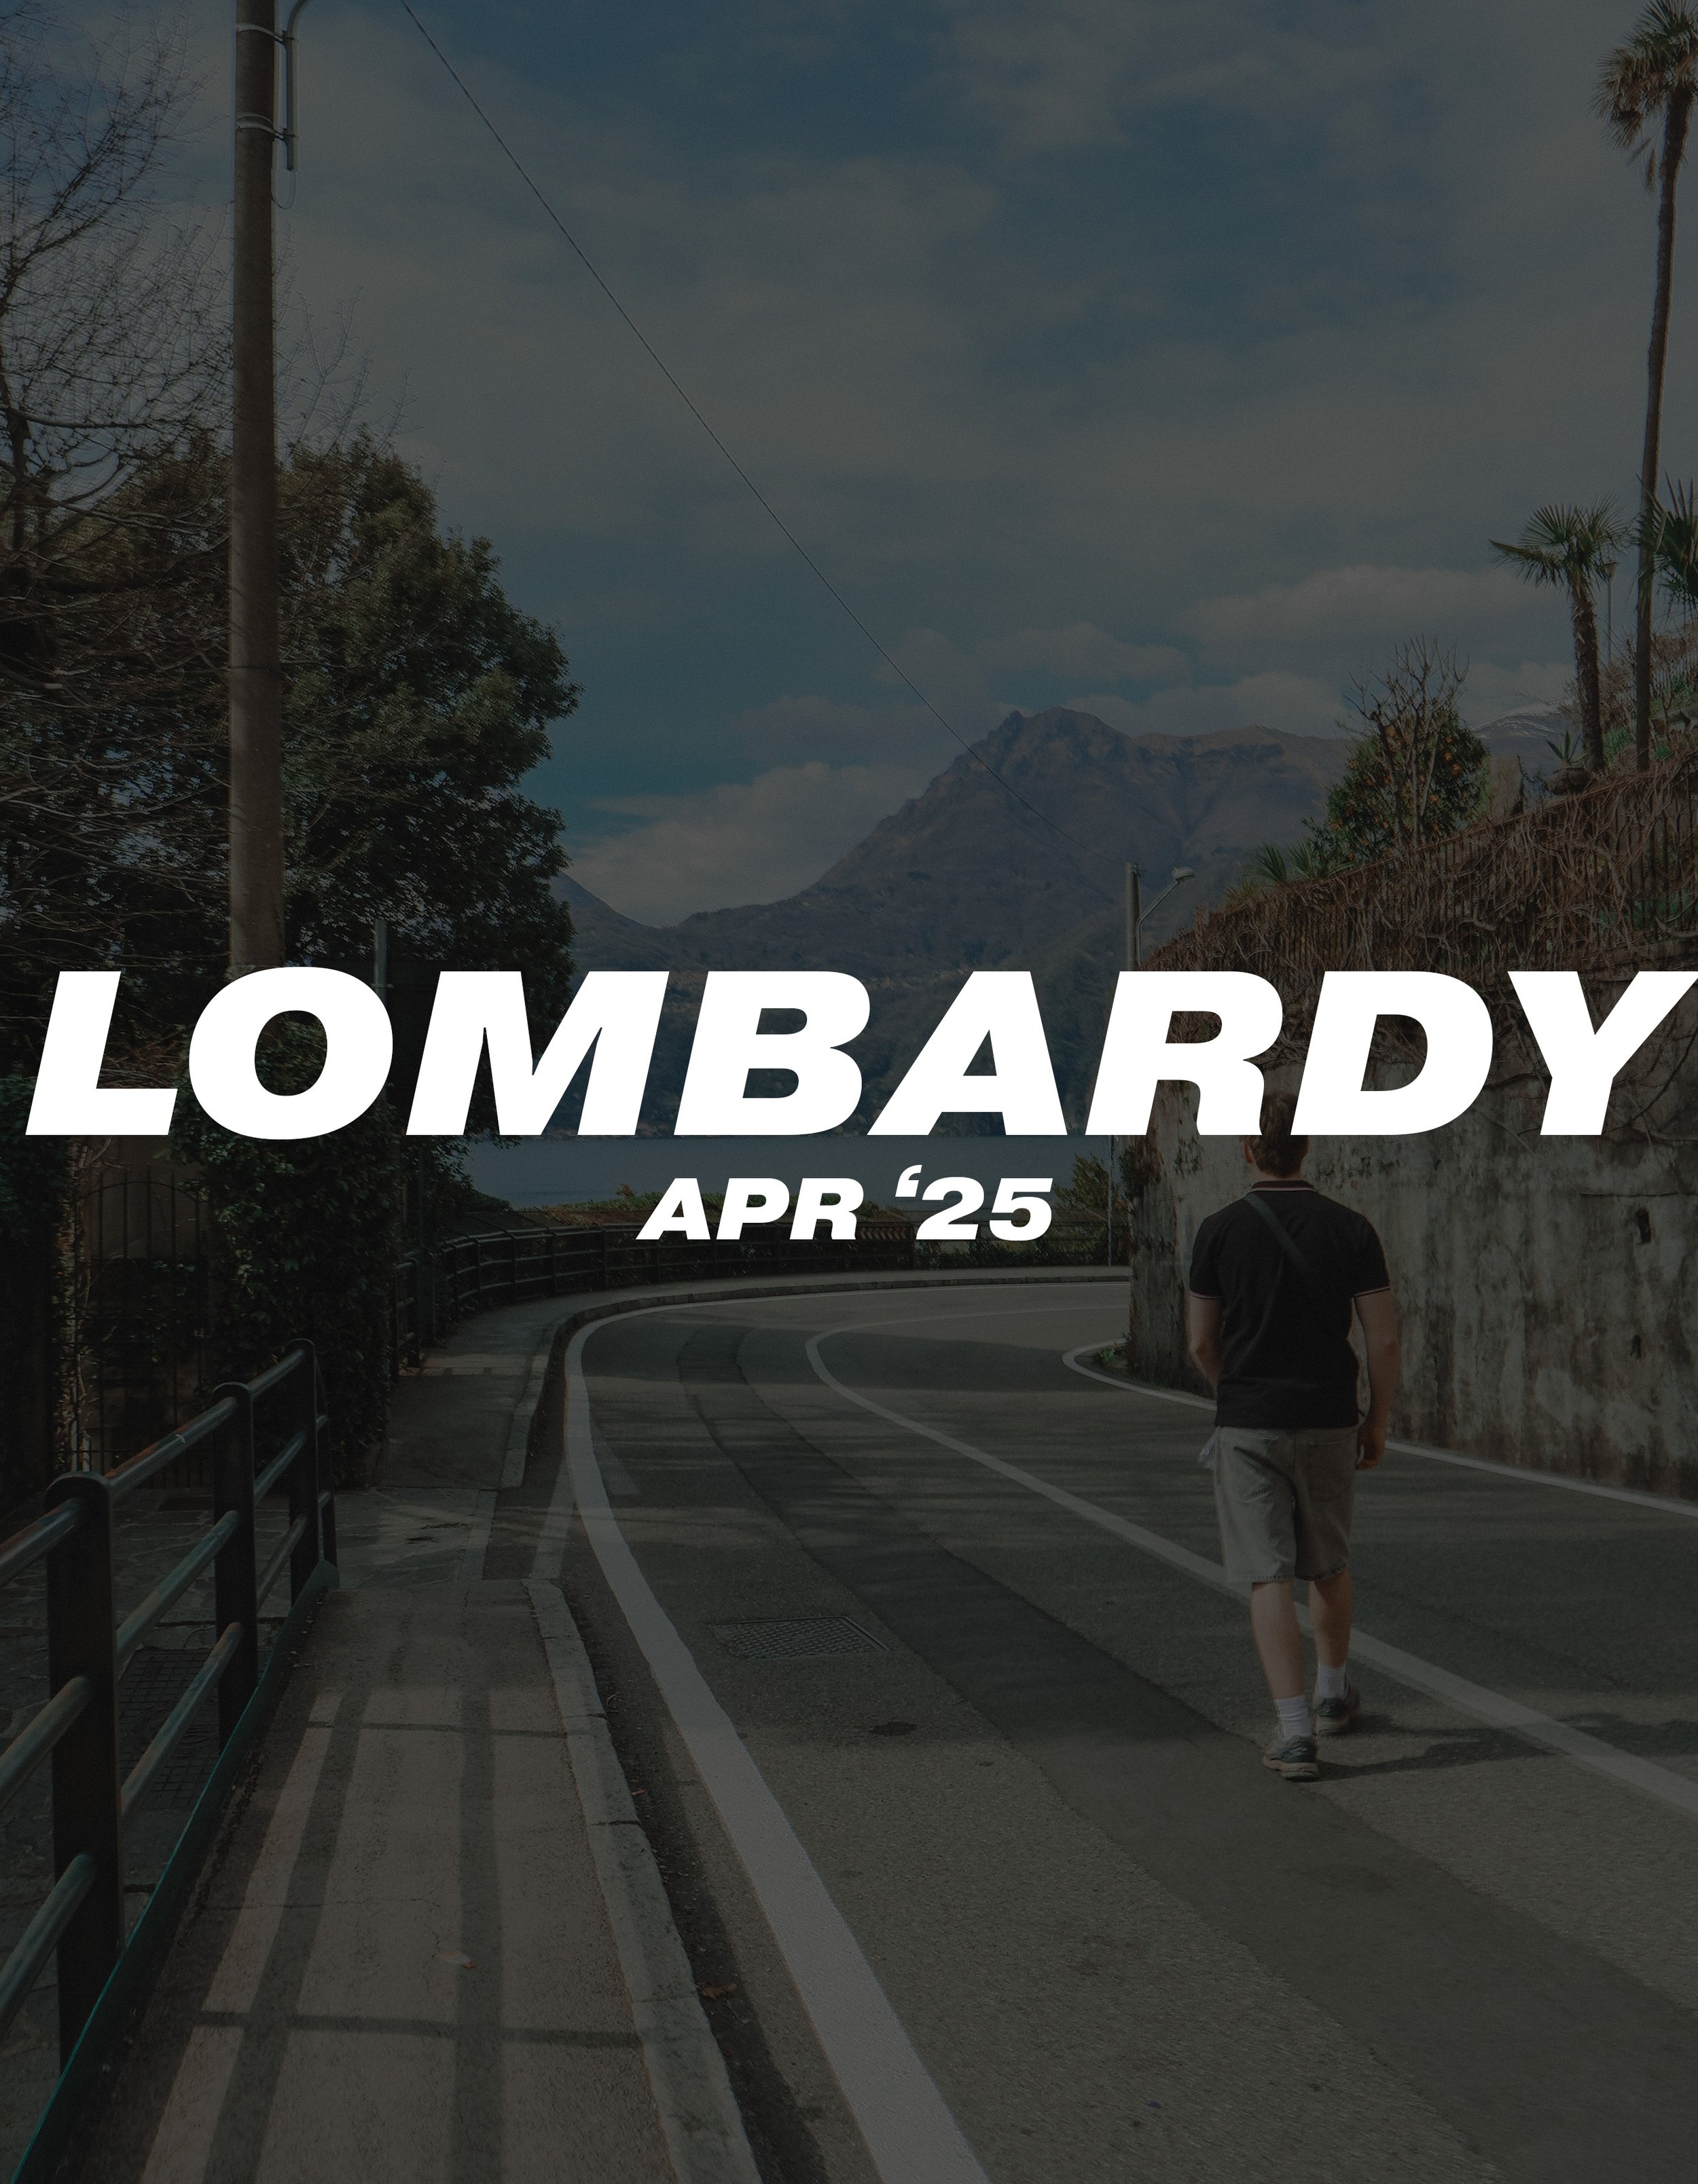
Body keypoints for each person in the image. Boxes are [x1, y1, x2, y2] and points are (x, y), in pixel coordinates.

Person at [1185, 1092, 1400, 1782]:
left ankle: (1296, 1731)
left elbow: (1200, 1341)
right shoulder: (1351, 1229)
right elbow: (1383, 1338)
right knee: (1329, 1562)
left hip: (1250, 1420)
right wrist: (1376, 1419)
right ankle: (1333, 1692)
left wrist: (1235, 1390)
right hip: (1330, 1417)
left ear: (1247, 1148)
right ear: (1307, 1145)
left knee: (1267, 1572)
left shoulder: (1218, 1231)